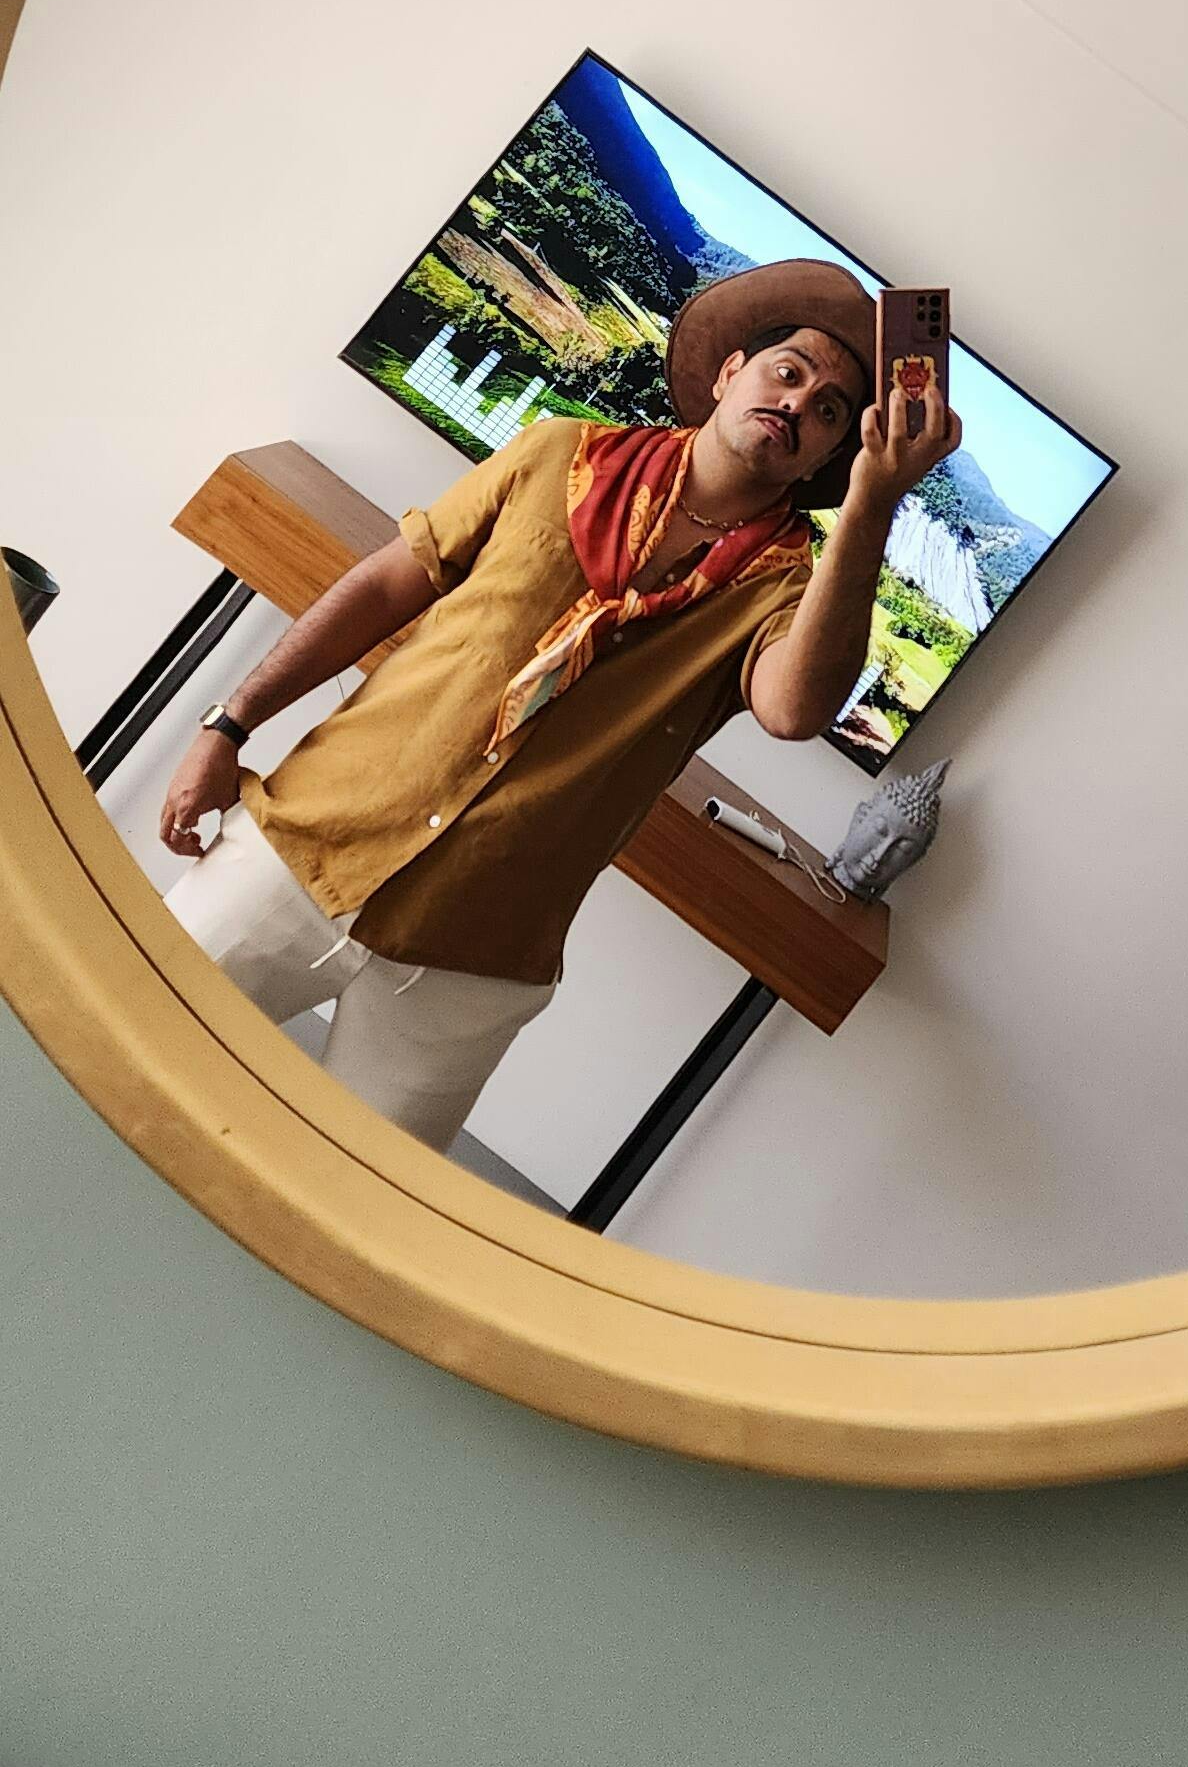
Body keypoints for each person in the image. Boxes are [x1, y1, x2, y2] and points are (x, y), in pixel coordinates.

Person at [159, 256, 959, 1151]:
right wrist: (228, 725)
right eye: (789, 371)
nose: (798, 403)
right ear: (731, 372)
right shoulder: (559, 452)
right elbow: (387, 583)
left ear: (828, 456)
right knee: (122, 1036)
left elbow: (792, 711)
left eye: (830, 412)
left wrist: (872, 505)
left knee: (358, 1198)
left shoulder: (783, 591)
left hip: (476, 956)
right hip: (311, 838)